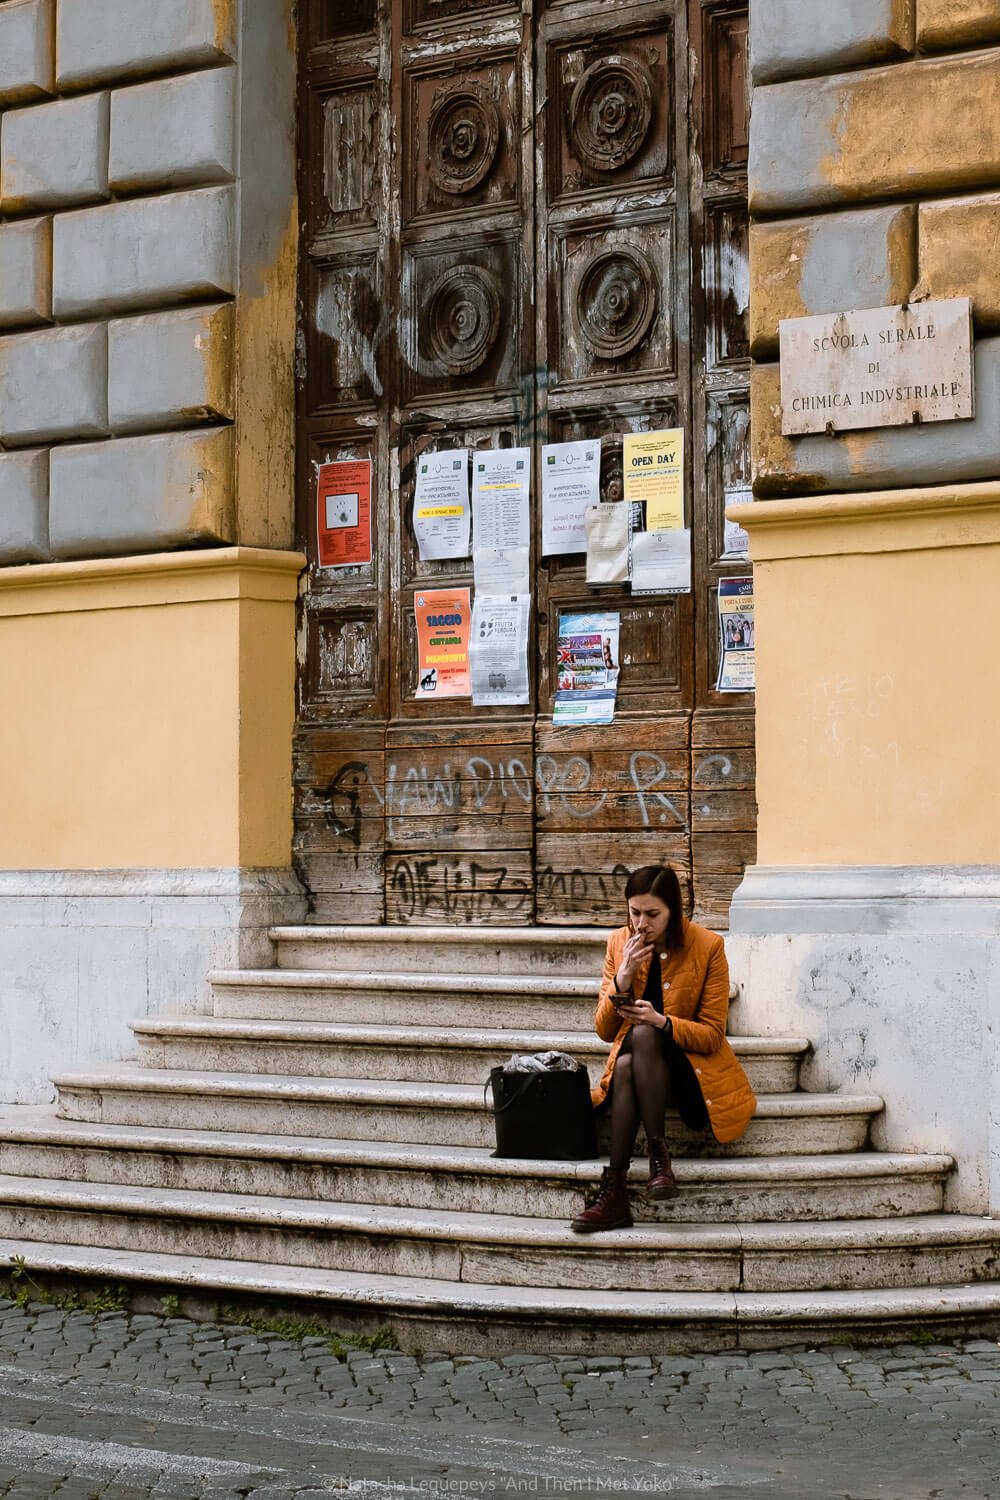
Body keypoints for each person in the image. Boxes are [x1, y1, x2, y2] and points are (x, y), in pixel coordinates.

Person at [571, 864, 757, 1233]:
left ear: (674, 910)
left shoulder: (708, 946)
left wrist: (662, 1022)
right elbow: (605, 1031)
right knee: (625, 1065)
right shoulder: (618, 944)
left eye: (652, 914)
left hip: (690, 1076)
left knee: (644, 1033)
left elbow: (712, 1036)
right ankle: (623, 1185)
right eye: (634, 912)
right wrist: (621, 979)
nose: (641, 923)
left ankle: (647, 1161)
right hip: (633, 1069)